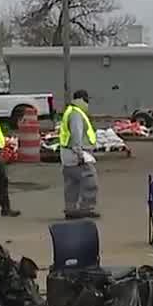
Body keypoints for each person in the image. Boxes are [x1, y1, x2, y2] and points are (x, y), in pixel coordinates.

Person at [59, 89, 99, 219]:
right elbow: (77, 135)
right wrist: (80, 154)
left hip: (66, 155)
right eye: (86, 100)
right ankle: (86, 209)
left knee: (72, 184)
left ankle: (70, 210)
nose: (88, 103)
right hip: (76, 154)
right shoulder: (76, 114)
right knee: (90, 181)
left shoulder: (69, 111)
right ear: (81, 100)